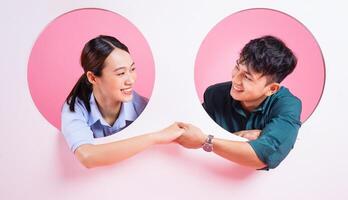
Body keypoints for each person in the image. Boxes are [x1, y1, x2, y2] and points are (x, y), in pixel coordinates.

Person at [176, 35, 302, 170]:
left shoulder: (288, 106)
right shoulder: (215, 95)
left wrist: (206, 141)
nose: (236, 80)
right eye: (237, 67)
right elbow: (189, 137)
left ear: (271, 89)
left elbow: (263, 157)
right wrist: (237, 138)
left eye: (247, 77)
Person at [61, 35, 184, 168]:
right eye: (120, 73)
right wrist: (154, 138)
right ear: (92, 78)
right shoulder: (75, 108)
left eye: (132, 69)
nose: (130, 80)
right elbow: (87, 156)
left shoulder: (144, 109)